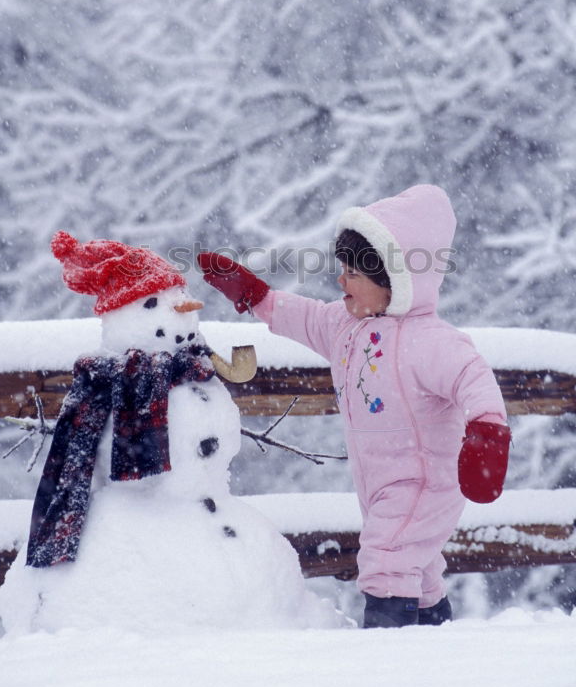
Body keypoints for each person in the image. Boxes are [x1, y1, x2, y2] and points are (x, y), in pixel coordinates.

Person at [198, 184, 510, 628]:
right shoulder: (345, 325)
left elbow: (473, 380)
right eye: (341, 268)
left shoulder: (432, 340)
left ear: (393, 282)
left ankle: (387, 651)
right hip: (380, 482)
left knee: (387, 558)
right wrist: (255, 294)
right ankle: (433, 640)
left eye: (353, 273)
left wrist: (487, 435)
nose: (340, 281)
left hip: (424, 481)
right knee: (415, 568)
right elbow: (301, 316)